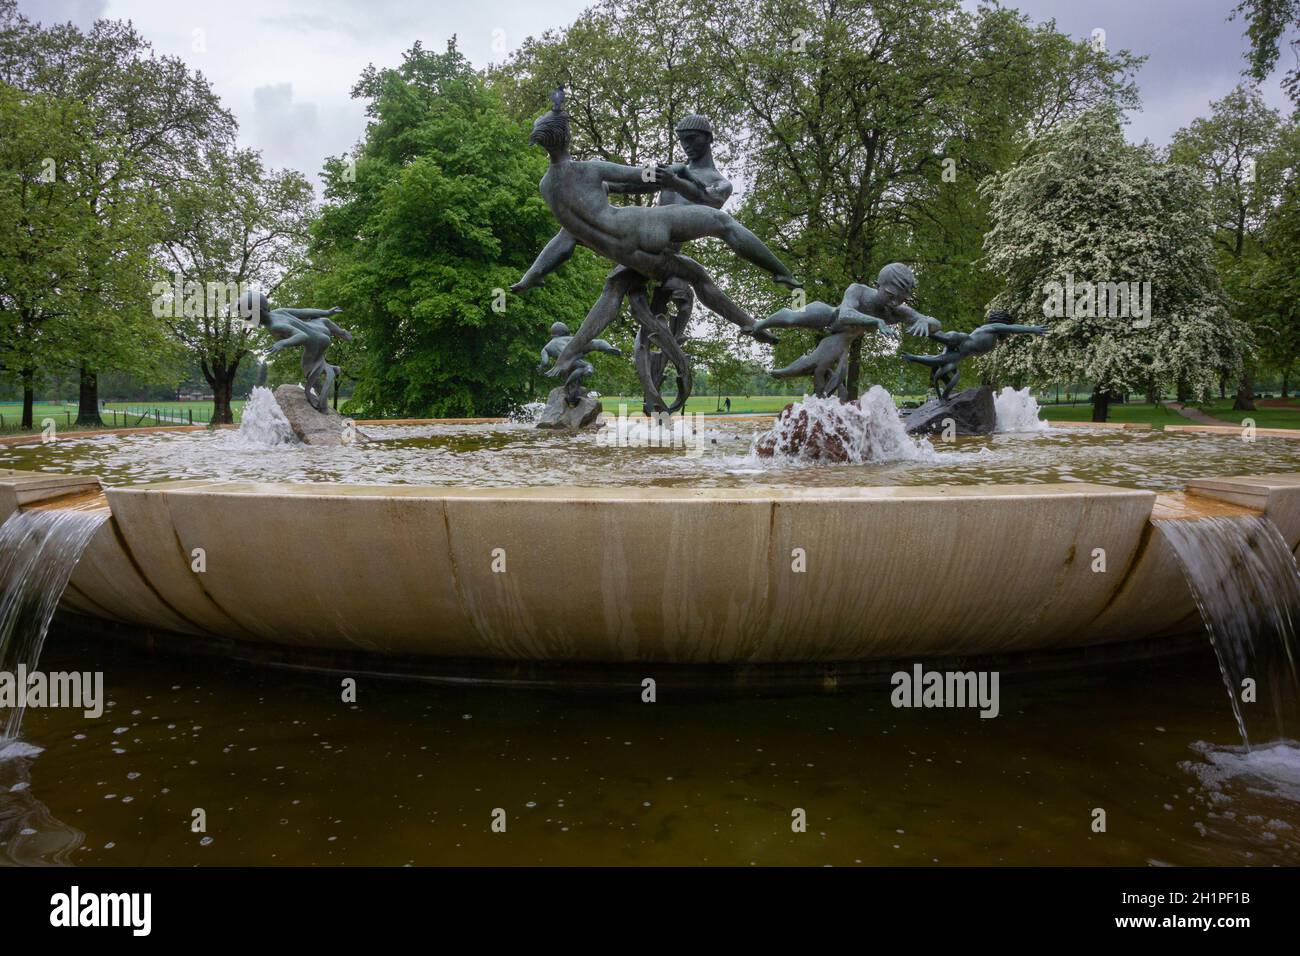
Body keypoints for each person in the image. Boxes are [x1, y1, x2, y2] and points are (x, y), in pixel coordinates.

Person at [238, 292, 352, 413]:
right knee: (324, 320)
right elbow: (304, 312)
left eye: (247, 315)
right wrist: (327, 312)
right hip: (320, 327)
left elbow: (302, 336)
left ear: (258, 312)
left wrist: (282, 343)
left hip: (318, 341)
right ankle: (341, 333)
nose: (245, 318)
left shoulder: (275, 326)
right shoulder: (279, 311)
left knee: (309, 371)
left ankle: (322, 404)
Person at [902, 310, 1048, 400]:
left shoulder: (993, 335)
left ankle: (913, 356)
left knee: (940, 361)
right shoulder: (992, 327)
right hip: (960, 339)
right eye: (1007, 330)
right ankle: (919, 322)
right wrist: (1033, 329)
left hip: (962, 351)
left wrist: (914, 358)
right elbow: (1013, 328)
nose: (1008, 333)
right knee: (937, 337)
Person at [537, 322, 621, 405]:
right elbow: (590, 342)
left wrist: (541, 367)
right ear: (564, 331)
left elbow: (545, 362)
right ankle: (607, 349)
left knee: (576, 375)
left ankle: (570, 393)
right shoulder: (568, 339)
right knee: (590, 359)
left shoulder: (546, 347)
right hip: (572, 361)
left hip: (560, 367)